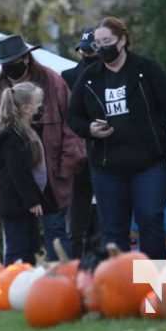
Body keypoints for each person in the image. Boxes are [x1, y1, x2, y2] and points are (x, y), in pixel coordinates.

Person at [68, 16, 166, 259]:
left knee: (149, 219)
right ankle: (122, 291)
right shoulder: (89, 77)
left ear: (122, 40)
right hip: (107, 166)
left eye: (107, 41)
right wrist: (90, 129)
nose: (102, 48)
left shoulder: (147, 70)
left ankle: (154, 290)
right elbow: (73, 117)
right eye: (98, 44)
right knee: (113, 229)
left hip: (150, 162)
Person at [0, 35, 84, 261]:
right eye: (5, 62)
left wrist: (67, 166)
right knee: (19, 242)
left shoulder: (52, 82)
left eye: (13, 60)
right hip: (12, 181)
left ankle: (59, 284)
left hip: (51, 175)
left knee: (56, 234)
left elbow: (72, 128)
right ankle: (19, 286)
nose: (9, 66)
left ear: (26, 59)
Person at [0, 82, 53, 265]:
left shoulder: (25, 132)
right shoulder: (12, 137)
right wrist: (32, 199)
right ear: (26, 108)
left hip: (22, 202)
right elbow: (19, 172)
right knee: (18, 248)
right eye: (37, 103)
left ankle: (24, 287)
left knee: (30, 247)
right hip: (15, 203)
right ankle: (9, 287)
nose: (39, 107)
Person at [60, 28, 98, 258]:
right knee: (78, 218)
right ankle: (79, 266)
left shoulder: (125, 74)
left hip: (113, 154)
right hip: (80, 153)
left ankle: (153, 290)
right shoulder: (68, 77)